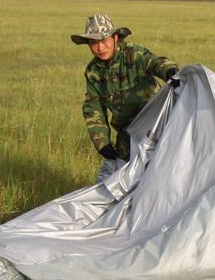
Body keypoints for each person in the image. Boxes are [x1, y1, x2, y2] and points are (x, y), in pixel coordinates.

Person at [71, 14, 179, 181]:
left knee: (161, 177)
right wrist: (102, 143)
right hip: (126, 136)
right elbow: (94, 108)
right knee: (119, 182)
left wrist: (170, 72)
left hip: (156, 128)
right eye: (94, 43)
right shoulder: (93, 72)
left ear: (115, 38)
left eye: (104, 41)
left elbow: (155, 63)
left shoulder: (134, 54)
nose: (100, 47)